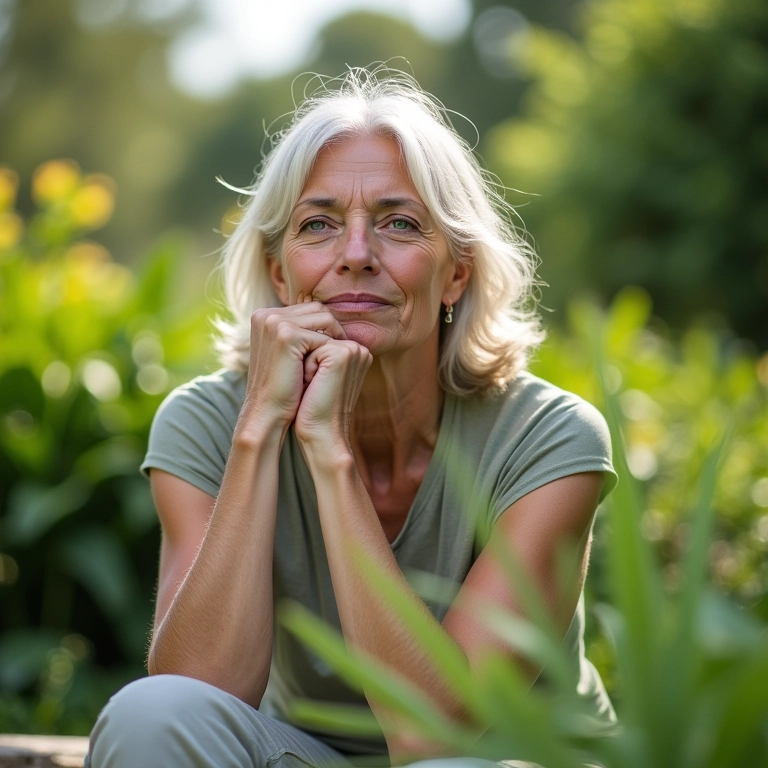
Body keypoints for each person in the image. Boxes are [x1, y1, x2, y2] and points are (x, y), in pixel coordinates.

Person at [86, 67, 617, 768]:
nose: (357, 256)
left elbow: (435, 734)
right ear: (281, 274)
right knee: (150, 713)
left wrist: (328, 452)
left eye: (399, 223)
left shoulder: (550, 438)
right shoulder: (206, 422)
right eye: (319, 225)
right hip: (308, 754)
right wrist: (260, 428)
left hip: (499, 756)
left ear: (456, 273)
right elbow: (200, 686)